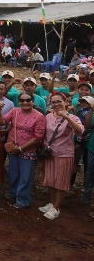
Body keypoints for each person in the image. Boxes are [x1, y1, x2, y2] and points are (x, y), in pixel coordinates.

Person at [0, 92, 46, 209]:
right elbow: (2, 122)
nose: (25, 102)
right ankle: (13, 193)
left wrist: (21, 149)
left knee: (26, 176)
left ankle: (23, 199)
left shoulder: (39, 116)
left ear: (32, 101)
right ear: (19, 102)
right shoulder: (15, 111)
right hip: (13, 148)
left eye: (28, 100)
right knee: (13, 173)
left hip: (28, 150)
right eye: (22, 100)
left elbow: (37, 137)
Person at [39, 92, 84, 220]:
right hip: (49, 153)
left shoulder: (73, 117)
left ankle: (56, 208)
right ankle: (52, 204)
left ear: (66, 102)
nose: (56, 104)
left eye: (59, 101)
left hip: (64, 154)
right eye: (53, 102)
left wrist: (67, 117)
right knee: (50, 180)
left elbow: (80, 131)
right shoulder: (48, 116)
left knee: (61, 182)